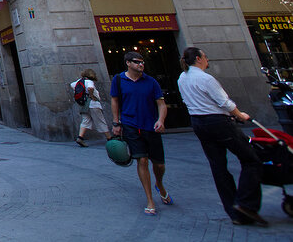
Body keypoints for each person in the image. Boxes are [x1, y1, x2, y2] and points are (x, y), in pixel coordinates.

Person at [178, 47, 267, 226]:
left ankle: (234, 212)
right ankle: (246, 204)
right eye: (205, 57)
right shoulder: (205, 78)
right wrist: (240, 115)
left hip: (198, 123)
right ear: (198, 59)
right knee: (251, 159)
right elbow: (224, 102)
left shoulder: (182, 78)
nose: (208, 60)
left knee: (218, 167)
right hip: (217, 122)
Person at [110, 52, 170, 216]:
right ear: (128, 63)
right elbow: (114, 100)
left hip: (150, 125)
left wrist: (161, 120)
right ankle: (150, 199)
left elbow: (161, 104)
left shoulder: (151, 82)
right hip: (130, 125)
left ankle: (159, 183)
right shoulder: (118, 80)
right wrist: (116, 122)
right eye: (137, 62)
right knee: (141, 160)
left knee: (159, 164)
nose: (141, 64)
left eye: (142, 62)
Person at [73, 69, 111, 147]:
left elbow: (72, 85)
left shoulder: (79, 82)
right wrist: (92, 95)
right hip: (92, 104)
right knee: (100, 120)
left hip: (84, 104)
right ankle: (109, 138)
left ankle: (80, 137)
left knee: (86, 120)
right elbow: (90, 88)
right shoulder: (89, 81)